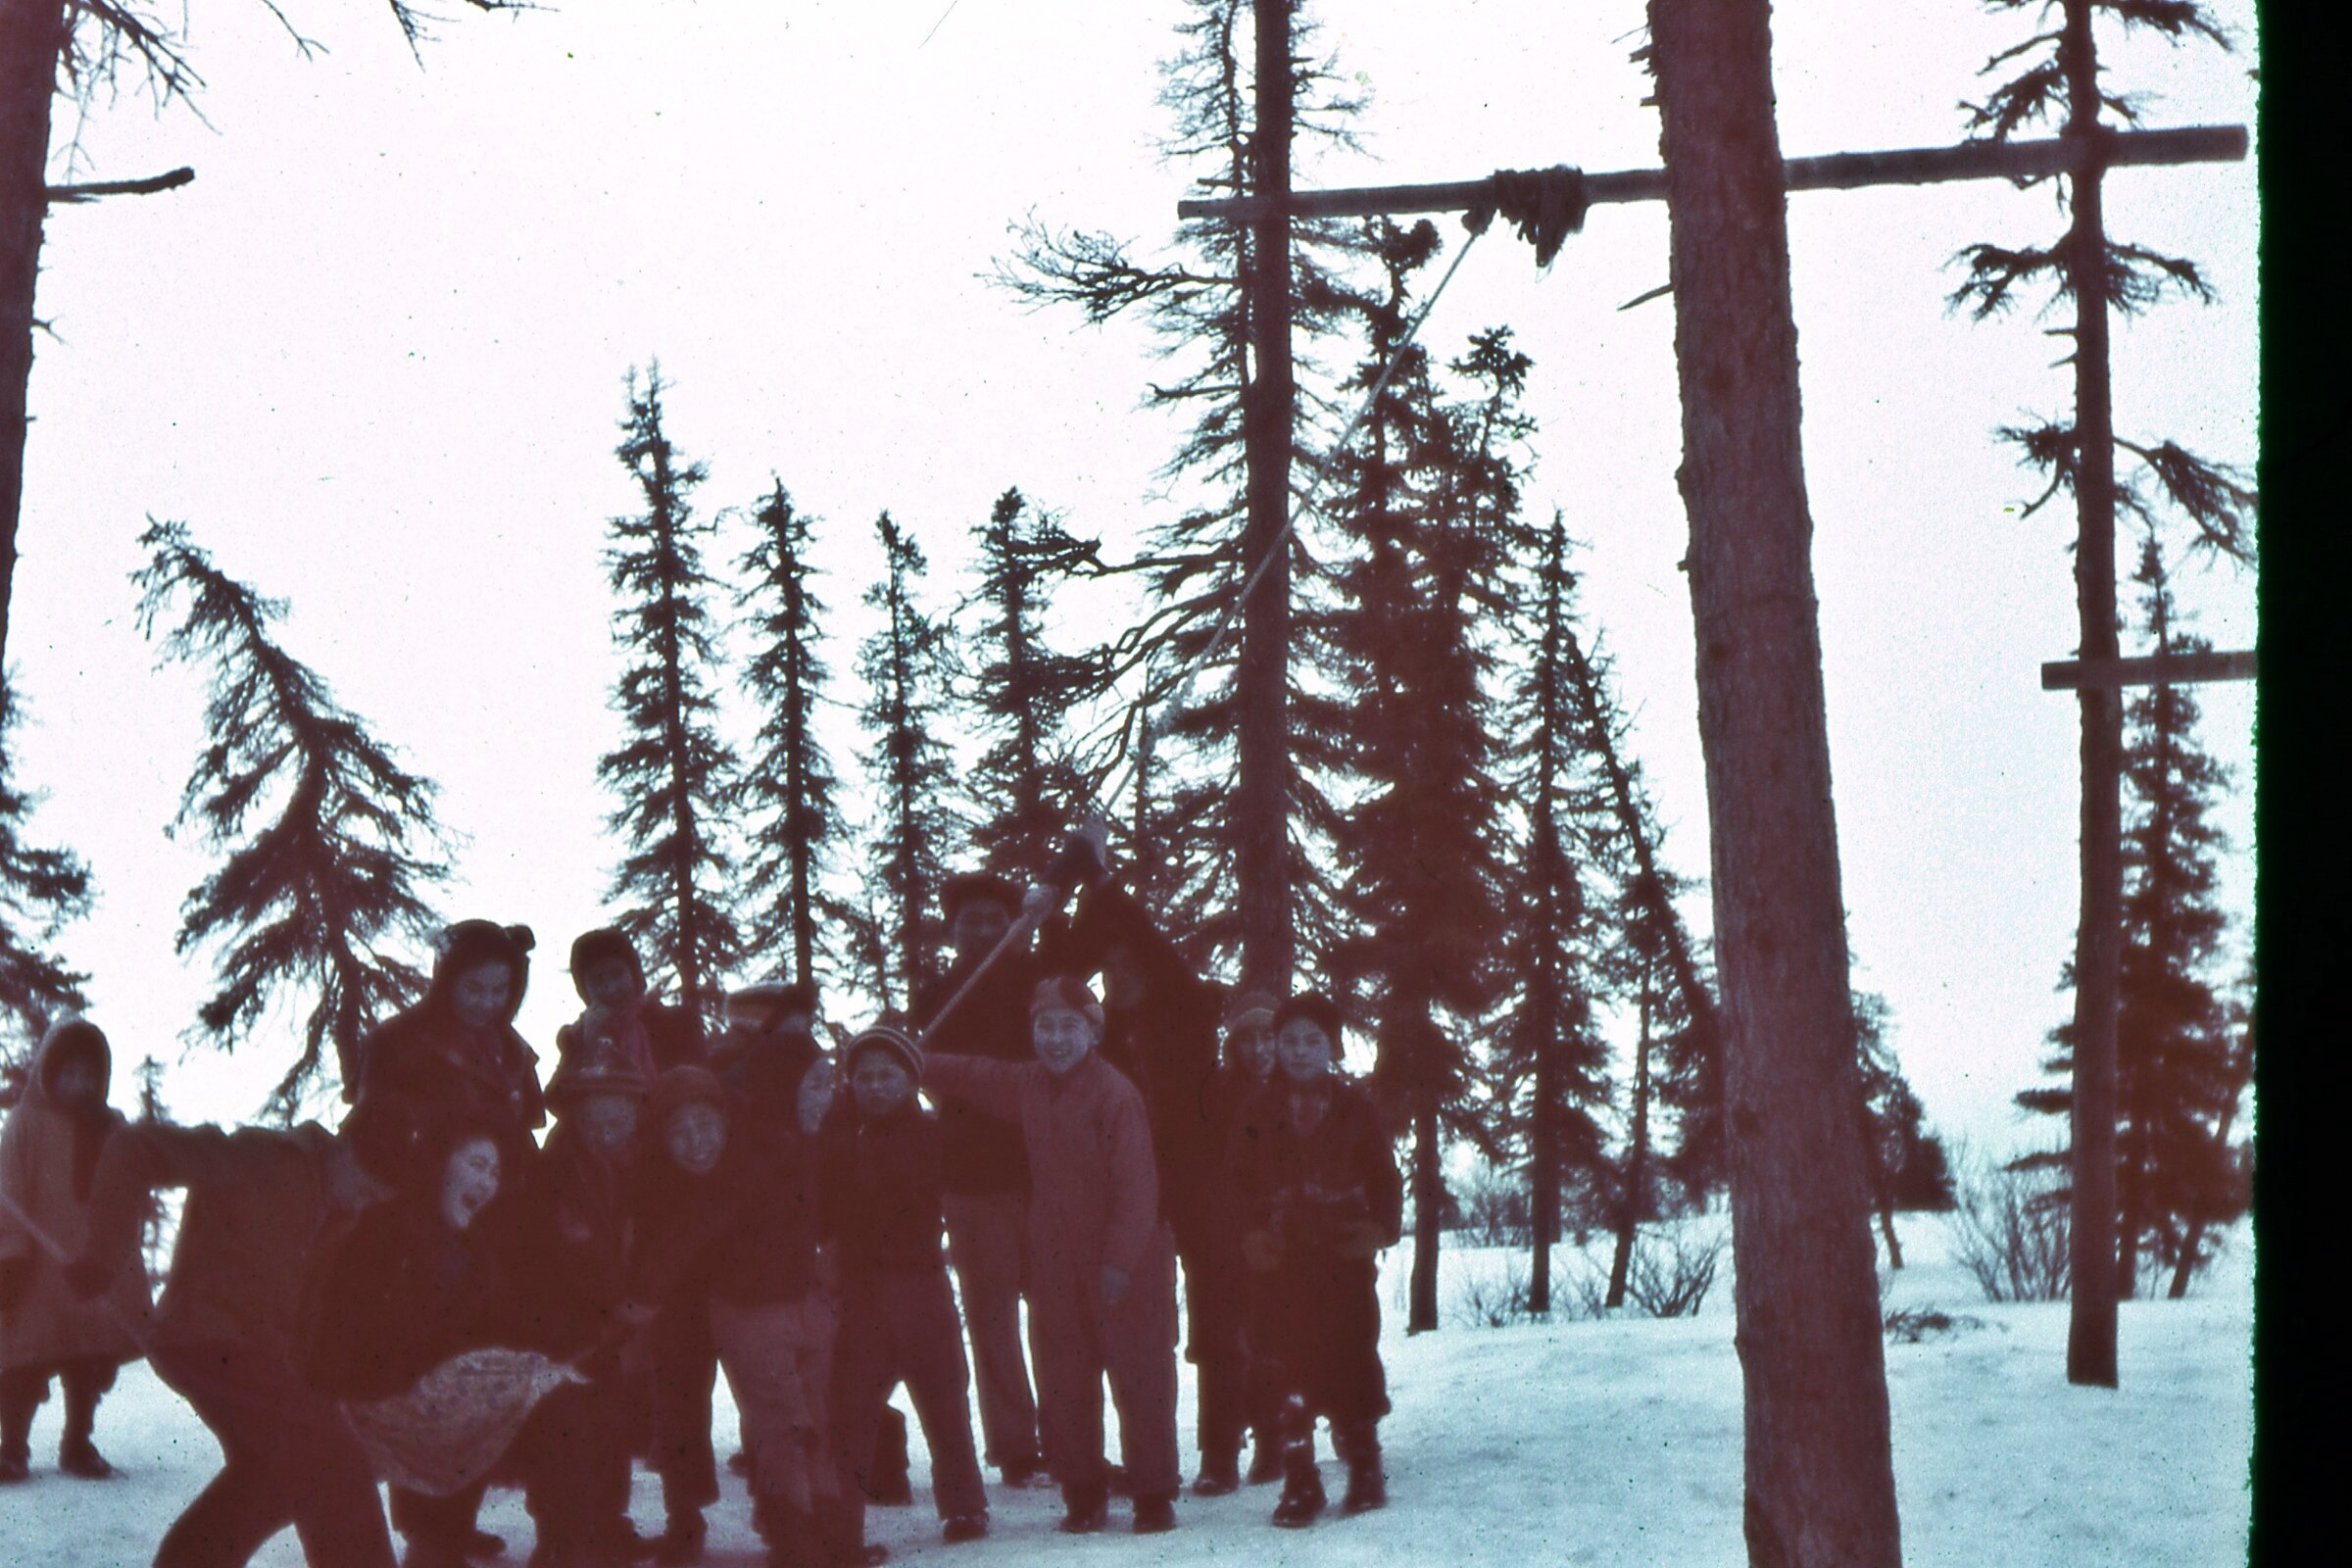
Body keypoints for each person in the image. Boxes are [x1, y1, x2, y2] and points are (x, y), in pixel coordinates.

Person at [62, 1113, 399, 1567]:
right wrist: (104, 1251)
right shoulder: (263, 1156)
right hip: (204, 1337)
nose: (366, 1202)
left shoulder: (334, 1212)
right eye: (370, 1185)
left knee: (272, 1478)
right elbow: (135, 1146)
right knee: (332, 1459)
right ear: (349, 1152)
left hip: (253, 1356)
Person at [921, 972, 1181, 1537]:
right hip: (1055, 1255)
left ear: (1092, 1032)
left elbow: (1138, 1186)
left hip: (1125, 1256)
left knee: (1139, 1373)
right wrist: (915, 1060)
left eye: (1069, 1027)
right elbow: (975, 1075)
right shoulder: (1030, 1085)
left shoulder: (1116, 1094)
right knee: (1063, 1373)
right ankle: (1082, 1489)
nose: (1056, 1039)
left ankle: (1153, 1490)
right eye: (1045, 1026)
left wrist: (1118, 1261)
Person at [1049, 830, 1241, 1495]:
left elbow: (1148, 941)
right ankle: (1146, 1457)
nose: (1125, 973)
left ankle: (1222, 1451)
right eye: (1114, 966)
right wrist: (1057, 900)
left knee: (1218, 1316)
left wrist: (1097, 881)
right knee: (1142, 1328)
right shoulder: (1098, 1045)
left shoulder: (1185, 1009)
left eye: (1136, 964)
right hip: (1138, 1196)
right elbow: (1061, 975)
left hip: (1197, 1183)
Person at [628, 1065, 868, 1568]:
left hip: (759, 1300)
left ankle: (809, 1524)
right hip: (685, 1302)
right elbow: (664, 1247)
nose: (697, 1144)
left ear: (726, 1121)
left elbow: (813, 1204)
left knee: (796, 1417)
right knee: (683, 1410)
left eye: (706, 1127)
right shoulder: (653, 1177)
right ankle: (686, 1517)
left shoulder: (766, 1154)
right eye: (681, 1134)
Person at [307, 1115, 538, 1568]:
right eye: (476, 1164)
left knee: (523, 1382)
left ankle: (439, 1539)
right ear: (440, 1165)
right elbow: (342, 1326)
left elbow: (502, 1326)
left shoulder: (472, 1250)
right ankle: (432, 1539)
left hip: (412, 1395)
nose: (487, 1181)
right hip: (355, 1397)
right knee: (468, 1395)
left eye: (494, 1172)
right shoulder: (387, 1228)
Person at [1231, 993, 1403, 1529]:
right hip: (1280, 1264)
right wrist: (1249, 1237)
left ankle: (1365, 1467)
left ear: (1332, 1047)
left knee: (1352, 1359)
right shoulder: (1257, 1111)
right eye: (1289, 1041)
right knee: (1284, 1368)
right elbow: (1236, 1185)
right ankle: (1300, 1478)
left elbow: (1385, 1179)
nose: (1299, 1052)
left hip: (1342, 1259)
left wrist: (1380, 1229)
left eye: (1312, 1041)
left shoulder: (1357, 1108)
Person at [820, 1025, 989, 1549]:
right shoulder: (838, 1138)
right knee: (850, 1408)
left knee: (945, 1402)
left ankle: (965, 1507)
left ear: (910, 1080)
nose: (875, 1086)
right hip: (862, 1292)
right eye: (864, 1077)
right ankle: (841, 1521)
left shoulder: (935, 1134)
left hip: (923, 1288)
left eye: (888, 1076)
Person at [912, 871, 1050, 1488]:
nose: (982, 929)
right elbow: (928, 1075)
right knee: (992, 1317)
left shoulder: (1034, 985)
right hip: (970, 1178)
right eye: (970, 920)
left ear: (1011, 924)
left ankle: (1070, 1434)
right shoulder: (939, 994)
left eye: (994, 918)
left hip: (1040, 1171)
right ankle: (1016, 1445)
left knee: (1055, 1314)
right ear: (953, 929)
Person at [508, 1053, 655, 1568]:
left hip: (609, 1329)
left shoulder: (637, 1169)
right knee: (567, 1430)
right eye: (595, 1118)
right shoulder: (551, 1175)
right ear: (575, 1118)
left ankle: (606, 1525)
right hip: (561, 1330)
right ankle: (561, 1536)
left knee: (610, 1427)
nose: (608, 1130)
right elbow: (537, 1259)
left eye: (620, 1117)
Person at [0, 1016, 148, 1483]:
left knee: (87, 1361)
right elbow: (9, 1190)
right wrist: (9, 1255)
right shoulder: (27, 1123)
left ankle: (78, 1443)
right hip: (37, 1271)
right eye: (70, 1072)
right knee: (24, 1361)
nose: (80, 1083)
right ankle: (13, 1448)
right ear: (50, 1071)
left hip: (90, 1270)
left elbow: (129, 1197)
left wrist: (117, 1256)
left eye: (90, 1074)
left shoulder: (112, 1129)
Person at [346, 919, 547, 1189]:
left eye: (499, 990)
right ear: (447, 981)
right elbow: (369, 1136)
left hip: (503, 1203)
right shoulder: (399, 1042)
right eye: (474, 989)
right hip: (419, 1199)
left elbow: (524, 1135)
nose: (487, 1003)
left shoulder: (512, 1051)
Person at [1202, 988, 1285, 1489]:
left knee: (1272, 1343)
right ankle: (1219, 1453)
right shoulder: (1216, 1092)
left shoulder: (1296, 1091)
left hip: (1278, 1240)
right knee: (1218, 1345)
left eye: (1267, 1036)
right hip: (1221, 1238)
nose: (1257, 1048)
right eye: (1246, 1038)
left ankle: (1273, 1444)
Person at [554, 927, 709, 1090]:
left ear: (634, 975)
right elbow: (555, 1098)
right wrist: (588, 1046)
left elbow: (702, 1088)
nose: (610, 988)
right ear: (584, 990)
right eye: (597, 981)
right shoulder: (575, 1038)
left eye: (617, 974)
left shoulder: (677, 1023)